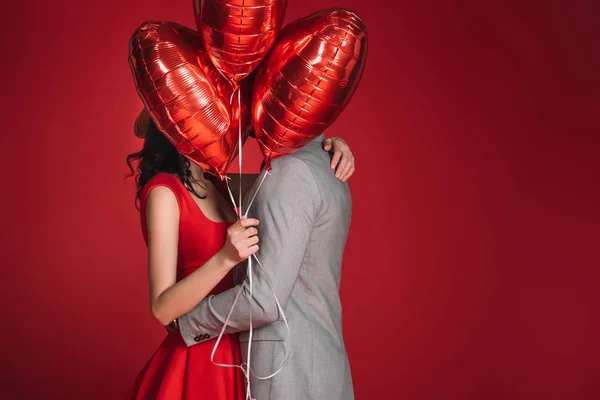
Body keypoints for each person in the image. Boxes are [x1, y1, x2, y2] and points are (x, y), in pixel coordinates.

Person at [125, 115, 355, 399]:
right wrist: (225, 258)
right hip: (197, 356)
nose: (226, 129)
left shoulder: (220, 185)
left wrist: (325, 146)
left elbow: (293, 182)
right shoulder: (164, 191)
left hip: (236, 352)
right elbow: (161, 308)